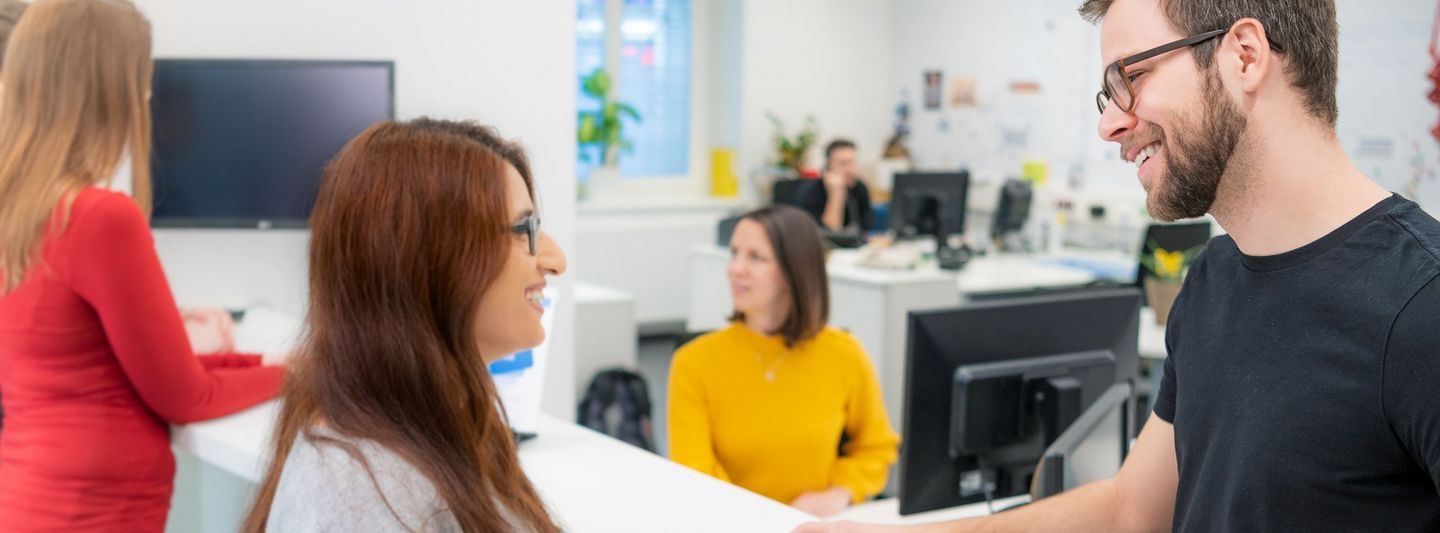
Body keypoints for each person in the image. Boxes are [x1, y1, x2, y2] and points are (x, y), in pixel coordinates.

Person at [796, 0, 1440, 531]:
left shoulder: (1422, 305)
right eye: (1106, 95)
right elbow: (1131, 510)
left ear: (1244, 56)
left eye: (1130, 78)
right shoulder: (1213, 278)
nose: (1110, 125)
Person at [0, 1, 285, 530]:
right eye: (142, 78)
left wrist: (259, 360)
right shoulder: (99, 218)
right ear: (112, 89)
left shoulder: (19, 210)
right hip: (91, 514)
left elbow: (133, 365)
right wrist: (299, 376)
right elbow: (187, 397)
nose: (148, 96)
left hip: (29, 500)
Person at [242, 118, 568, 532]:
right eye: (524, 230)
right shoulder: (359, 498)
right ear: (432, 258)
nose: (556, 261)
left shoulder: (436, 423)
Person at [669, 205, 899, 518]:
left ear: (795, 271)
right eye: (734, 253)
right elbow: (695, 472)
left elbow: (877, 447)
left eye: (756, 257)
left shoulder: (845, 354)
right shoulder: (693, 362)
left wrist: (841, 492)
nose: (735, 269)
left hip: (815, 525)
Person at [798, 139, 875, 234]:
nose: (849, 170)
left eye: (852, 162)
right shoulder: (812, 191)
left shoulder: (859, 187)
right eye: (843, 163)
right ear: (828, 164)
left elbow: (866, 228)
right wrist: (836, 193)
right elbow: (830, 233)